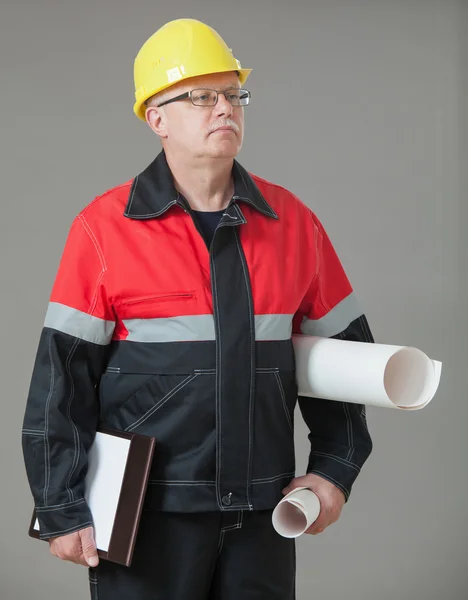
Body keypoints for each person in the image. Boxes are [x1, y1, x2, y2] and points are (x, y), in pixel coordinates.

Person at [22, 18, 375, 600]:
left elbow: (350, 361)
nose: (225, 109)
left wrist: (336, 468)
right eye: (202, 96)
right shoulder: (104, 230)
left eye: (234, 94)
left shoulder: (294, 226)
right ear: (155, 118)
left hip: (264, 516)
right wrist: (59, 504)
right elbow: (60, 381)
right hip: (145, 518)